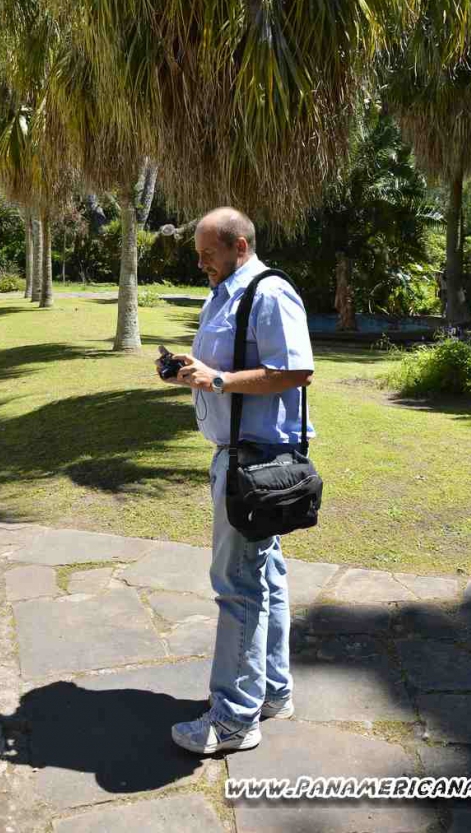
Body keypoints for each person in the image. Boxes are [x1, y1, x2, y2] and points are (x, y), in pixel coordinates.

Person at [155, 206, 315, 755]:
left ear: (239, 246)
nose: (201, 263)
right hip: (238, 455)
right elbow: (224, 365)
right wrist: (192, 369)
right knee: (264, 576)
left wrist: (218, 380)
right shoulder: (224, 293)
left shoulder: (269, 292)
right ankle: (271, 692)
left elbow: (296, 370)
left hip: (255, 463)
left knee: (238, 585)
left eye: (208, 253)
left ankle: (234, 719)